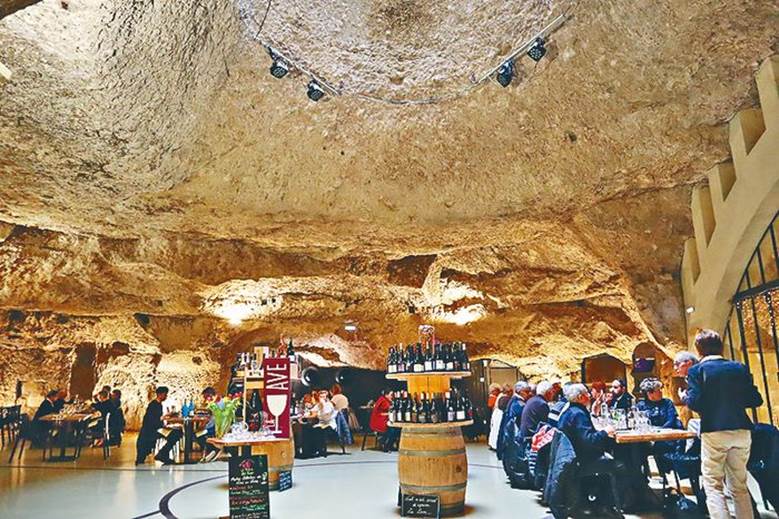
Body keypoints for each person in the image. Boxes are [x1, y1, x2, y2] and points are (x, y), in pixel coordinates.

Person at [684, 329, 763, 519]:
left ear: (699, 349)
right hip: (741, 430)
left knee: (713, 485)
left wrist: (685, 397)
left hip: (714, 431)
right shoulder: (739, 368)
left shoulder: (697, 371)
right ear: (720, 347)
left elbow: (695, 403)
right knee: (740, 486)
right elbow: (755, 399)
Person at [135, 386, 183, 465]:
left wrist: (165, 418)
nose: (166, 396)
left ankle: (163, 453)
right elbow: (152, 420)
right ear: (160, 394)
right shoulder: (154, 405)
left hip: (155, 428)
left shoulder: (157, 404)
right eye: (165, 394)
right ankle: (162, 454)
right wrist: (164, 419)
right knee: (176, 434)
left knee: (177, 432)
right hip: (152, 431)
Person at [497, 381, 532, 459]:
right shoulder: (518, 403)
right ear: (519, 391)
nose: (529, 394)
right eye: (526, 391)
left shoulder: (514, 401)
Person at [488, 386, 511, 450]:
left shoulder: (500, 396)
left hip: (496, 414)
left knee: (495, 430)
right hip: (499, 414)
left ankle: (493, 444)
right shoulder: (504, 397)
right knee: (497, 430)